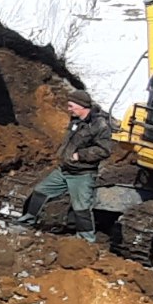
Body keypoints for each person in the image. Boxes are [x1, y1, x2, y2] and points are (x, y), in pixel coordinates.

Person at [26, 93, 117, 243]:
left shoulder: (99, 125)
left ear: (82, 106)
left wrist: (80, 155)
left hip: (82, 173)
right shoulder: (76, 120)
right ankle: (27, 220)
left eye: (71, 106)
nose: (68, 109)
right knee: (40, 191)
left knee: (81, 208)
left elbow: (104, 150)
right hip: (64, 169)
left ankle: (86, 240)